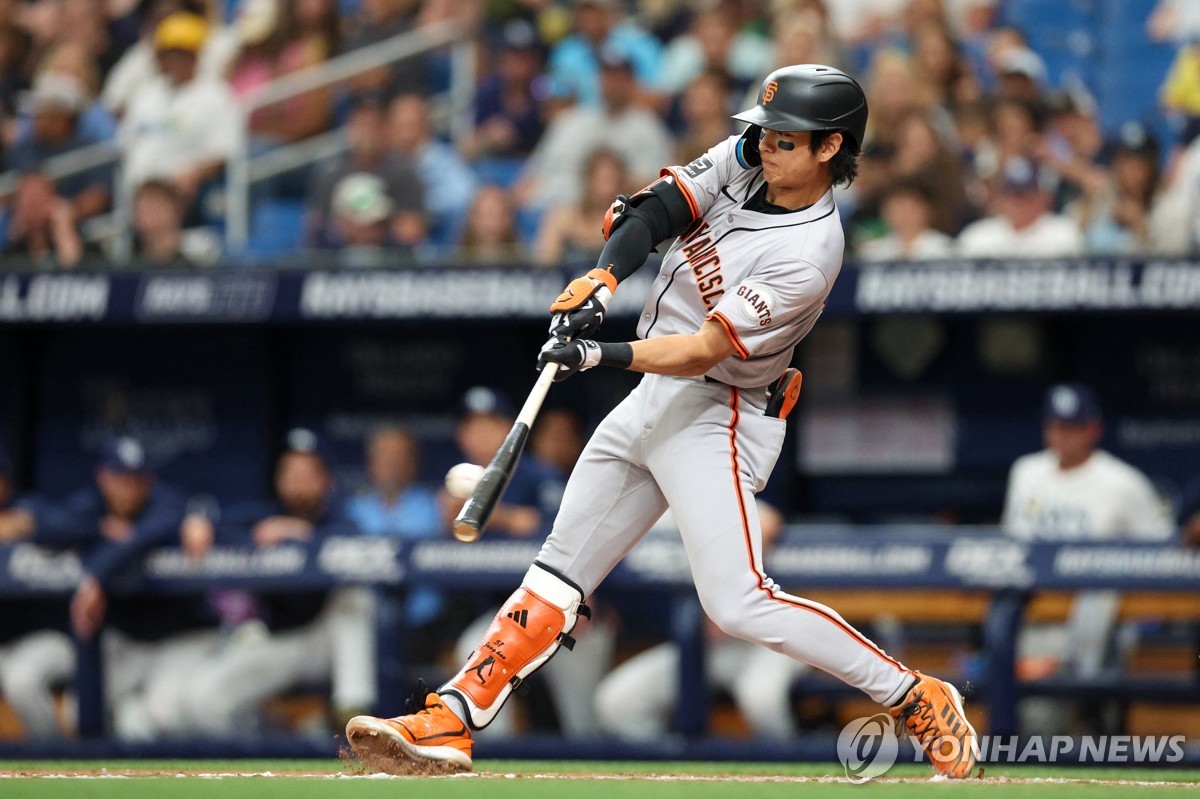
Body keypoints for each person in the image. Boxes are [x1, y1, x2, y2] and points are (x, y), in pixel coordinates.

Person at [346, 64, 976, 779]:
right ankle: (454, 717)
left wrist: (598, 350)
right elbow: (658, 207)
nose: (765, 145)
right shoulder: (747, 160)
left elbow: (706, 347)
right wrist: (603, 278)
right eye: (763, 130)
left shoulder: (809, 252)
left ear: (831, 148)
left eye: (786, 139)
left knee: (739, 603)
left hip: (718, 412)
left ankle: (915, 693)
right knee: (557, 570)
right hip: (651, 397)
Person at [1002, 383, 1175, 733]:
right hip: (1037, 619)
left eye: (1072, 427)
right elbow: (1010, 546)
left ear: (1093, 428)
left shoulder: (1122, 482)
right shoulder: (1026, 473)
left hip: (1099, 623)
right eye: (1055, 426)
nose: (1062, 436)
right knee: (1038, 726)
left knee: (1100, 731)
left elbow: (1165, 555)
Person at [178, 428, 374, 735]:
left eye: (307, 473)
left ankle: (355, 718)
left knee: (355, 596)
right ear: (279, 479)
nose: (298, 480)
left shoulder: (340, 522)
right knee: (203, 698)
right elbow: (219, 526)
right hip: (281, 639)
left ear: (327, 480)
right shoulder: (262, 517)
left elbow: (362, 545)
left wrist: (301, 535)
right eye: (290, 472)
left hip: (326, 639)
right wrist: (198, 524)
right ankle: (264, 745)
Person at [25, 436, 220, 740]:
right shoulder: (91, 508)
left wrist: (97, 575)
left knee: (163, 713)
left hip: (180, 639)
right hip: (130, 643)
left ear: (149, 480)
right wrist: (97, 528)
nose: (128, 488)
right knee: (86, 714)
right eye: (120, 478)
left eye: (136, 479)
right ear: (102, 477)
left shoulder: (169, 502)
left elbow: (157, 527)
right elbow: (44, 529)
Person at [594, 501, 806, 741]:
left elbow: (768, 520)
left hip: (764, 644)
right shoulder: (648, 514)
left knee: (760, 700)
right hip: (698, 648)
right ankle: (675, 772)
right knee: (618, 702)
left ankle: (788, 771)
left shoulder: (711, 493)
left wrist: (728, 591)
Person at [517, 47, 674, 214]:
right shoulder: (570, 120)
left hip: (613, 218)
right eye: (606, 75)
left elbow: (658, 188)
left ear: (631, 81)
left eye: (618, 76)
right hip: (548, 210)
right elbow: (531, 174)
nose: (611, 84)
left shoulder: (648, 127)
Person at [118, 12, 240, 216]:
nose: (173, 61)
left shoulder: (216, 95)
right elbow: (125, 142)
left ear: (195, 55)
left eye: (181, 53)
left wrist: (195, 173)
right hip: (136, 193)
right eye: (168, 53)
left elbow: (224, 152)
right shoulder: (147, 94)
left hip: (184, 193)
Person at [344, 427, 446, 664]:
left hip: (423, 622)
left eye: (399, 456)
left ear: (413, 464)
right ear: (371, 463)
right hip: (365, 623)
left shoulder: (435, 506)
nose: (391, 463)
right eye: (383, 456)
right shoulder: (353, 509)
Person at [0, 446, 73, 739]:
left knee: (21, 679)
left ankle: (52, 756)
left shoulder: (32, 507)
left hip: (47, 635)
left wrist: (29, 524)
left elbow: (75, 525)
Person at [306, 94, 426, 250]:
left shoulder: (404, 174)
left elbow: (412, 232)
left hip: (388, 265)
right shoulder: (331, 176)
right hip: (338, 264)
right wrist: (343, 230)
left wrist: (376, 229)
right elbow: (314, 230)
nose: (366, 133)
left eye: (373, 125)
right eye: (360, 125)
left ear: (385, 129)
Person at [957, 156, 1084, 258]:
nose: (1017, 203)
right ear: (1001, 198)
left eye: (1026, 196)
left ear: (1043, 198)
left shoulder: (1064, 233)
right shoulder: (978, 236)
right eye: (1012, 195)